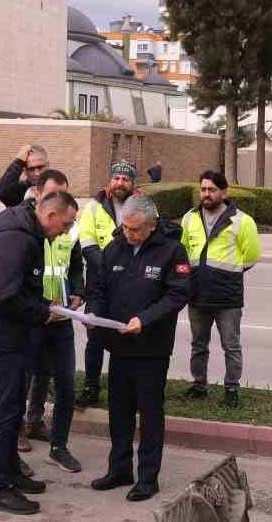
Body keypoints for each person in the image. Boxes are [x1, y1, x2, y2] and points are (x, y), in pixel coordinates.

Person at [0, 191, 81, 515]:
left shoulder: (27, 230)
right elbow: (5, 295)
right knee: (4, 414)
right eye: (67, 223)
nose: (66, 231)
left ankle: (12, 473)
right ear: (51, 214)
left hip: (9, 334)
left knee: (13, 408)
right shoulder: (20, 239)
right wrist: (44, 312)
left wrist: (43, 308)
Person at [86, 195, 191, 502]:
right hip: (118, 345)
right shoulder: (114, 247)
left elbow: (178, 294)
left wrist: (144, 320)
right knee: (118, 411)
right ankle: (119, 469)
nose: (129, 234)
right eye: (126, 228)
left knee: (149, 413)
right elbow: (98, 287)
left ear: (152, 224)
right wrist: (94, 312)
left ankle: (147, 477)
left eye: (135, 229)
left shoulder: (172, 250)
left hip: (151, 348)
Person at [19, 169, 85, 473]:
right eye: (51, 195)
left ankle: (59, 447)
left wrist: (77, 292)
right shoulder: (25, 228)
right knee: (22, 381)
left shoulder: (69, 229)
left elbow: (74, 266)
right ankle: (14, 437)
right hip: (32, 319)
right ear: (38, 195)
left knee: (66, 385)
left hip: (61, 319)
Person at [179, 170, 261, 408]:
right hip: (196, 293)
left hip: (228, 296)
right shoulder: (189, 218)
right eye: (203, 189)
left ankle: (232, 388)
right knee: (198, 343)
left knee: (231, 345)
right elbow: (183, 252)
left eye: (212, 190)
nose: (206, 194)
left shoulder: (242, 221)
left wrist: (228, 274)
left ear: (224, 192)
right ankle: (199, 384)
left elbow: (252, 255)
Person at [75, 160, 138, 408]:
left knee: (126, 336)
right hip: (99, 284)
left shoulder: (142, 206)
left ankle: (124, 389)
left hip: (130, 285)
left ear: (132, 183)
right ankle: (91, 387)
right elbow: (87, 243)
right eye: (116, 178)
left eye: (125, 179)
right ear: (109, 181)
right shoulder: (92, 208)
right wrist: (110, 268)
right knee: (95, 338)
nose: (120, 182)